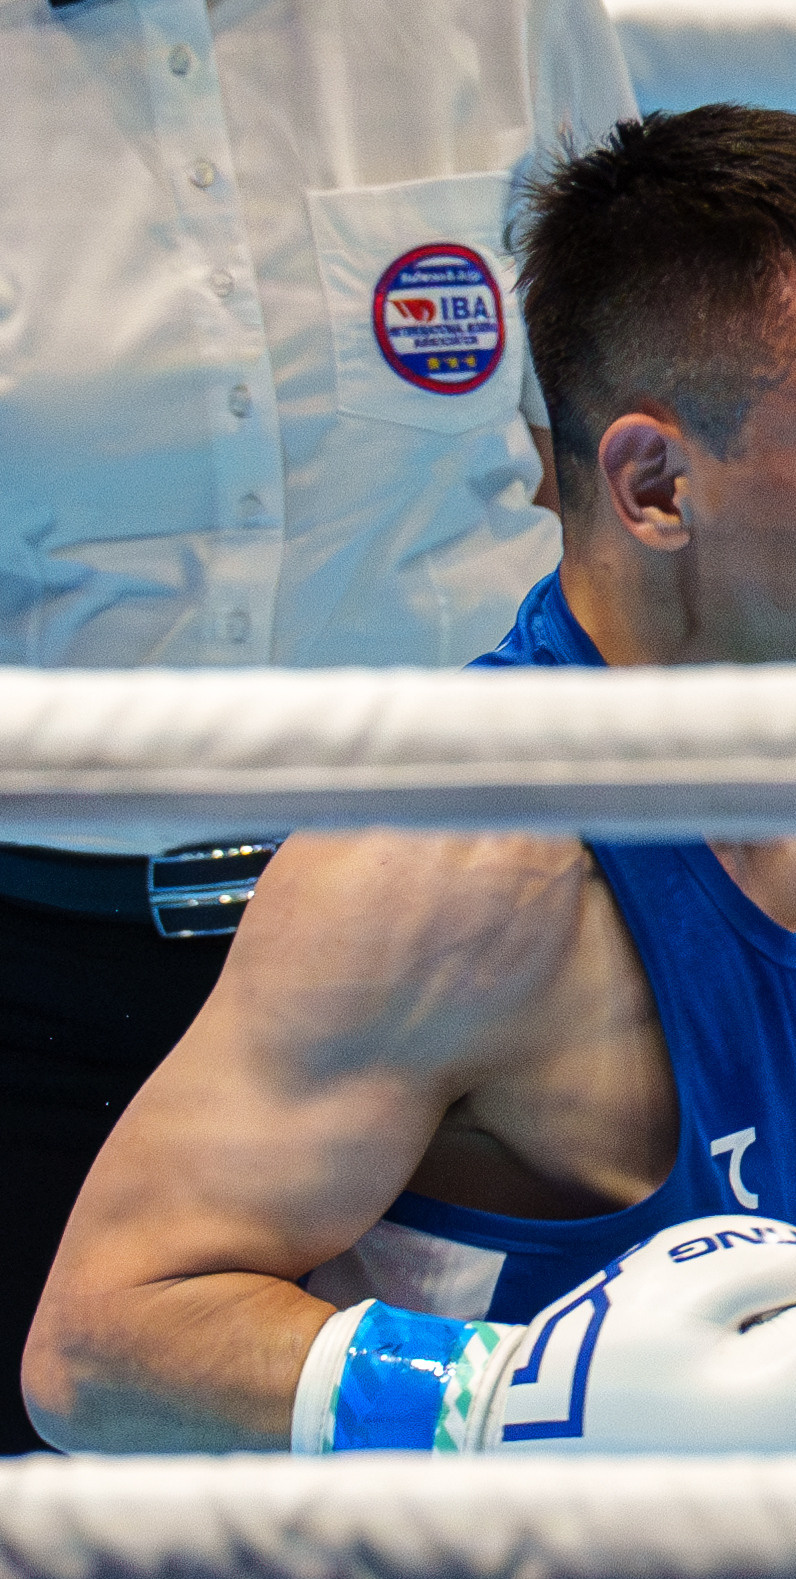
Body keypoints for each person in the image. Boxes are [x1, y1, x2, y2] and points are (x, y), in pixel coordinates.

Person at [23, 106, 796, 1454]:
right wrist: (499, 1395)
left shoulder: (779, 768)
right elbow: (99, 1344)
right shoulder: (454, 863)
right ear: (654, 485)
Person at [0, 0, 635, 1453]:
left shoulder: (485, 18)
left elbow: (616, 429)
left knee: (510, 1498)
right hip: (33, 955)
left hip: (449, 949)